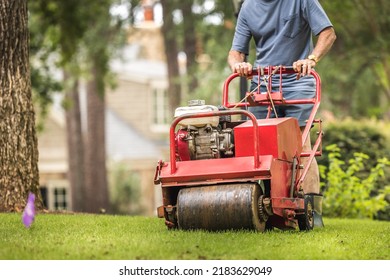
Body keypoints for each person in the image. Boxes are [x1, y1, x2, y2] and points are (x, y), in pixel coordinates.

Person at [228, 0, 336, 227]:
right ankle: (264, 210)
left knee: (301, 144)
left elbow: (328, 33)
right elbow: (236, 53)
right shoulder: (249, 6)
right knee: (258, 147)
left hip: (297, 80)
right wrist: (239, 66)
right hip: (262, 82)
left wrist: (311, 59)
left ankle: (311, 214)